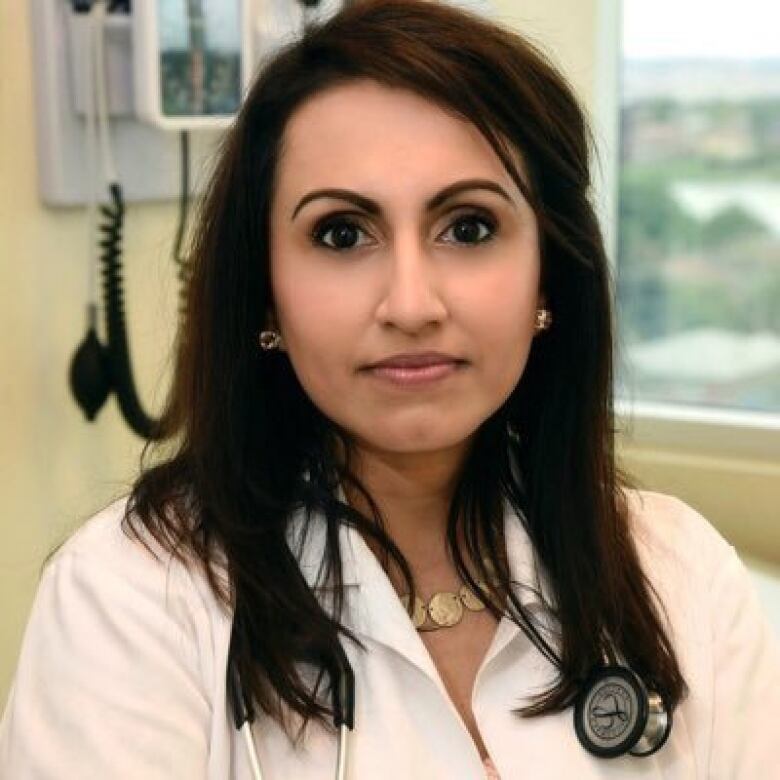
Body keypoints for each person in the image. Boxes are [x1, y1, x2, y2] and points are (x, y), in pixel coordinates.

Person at [2, 0, 779, 777]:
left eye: (468, 227)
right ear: (265, 292)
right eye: (342, 234)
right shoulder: (134, 601)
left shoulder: (682, 577)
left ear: (550, 271)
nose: (411, 305)